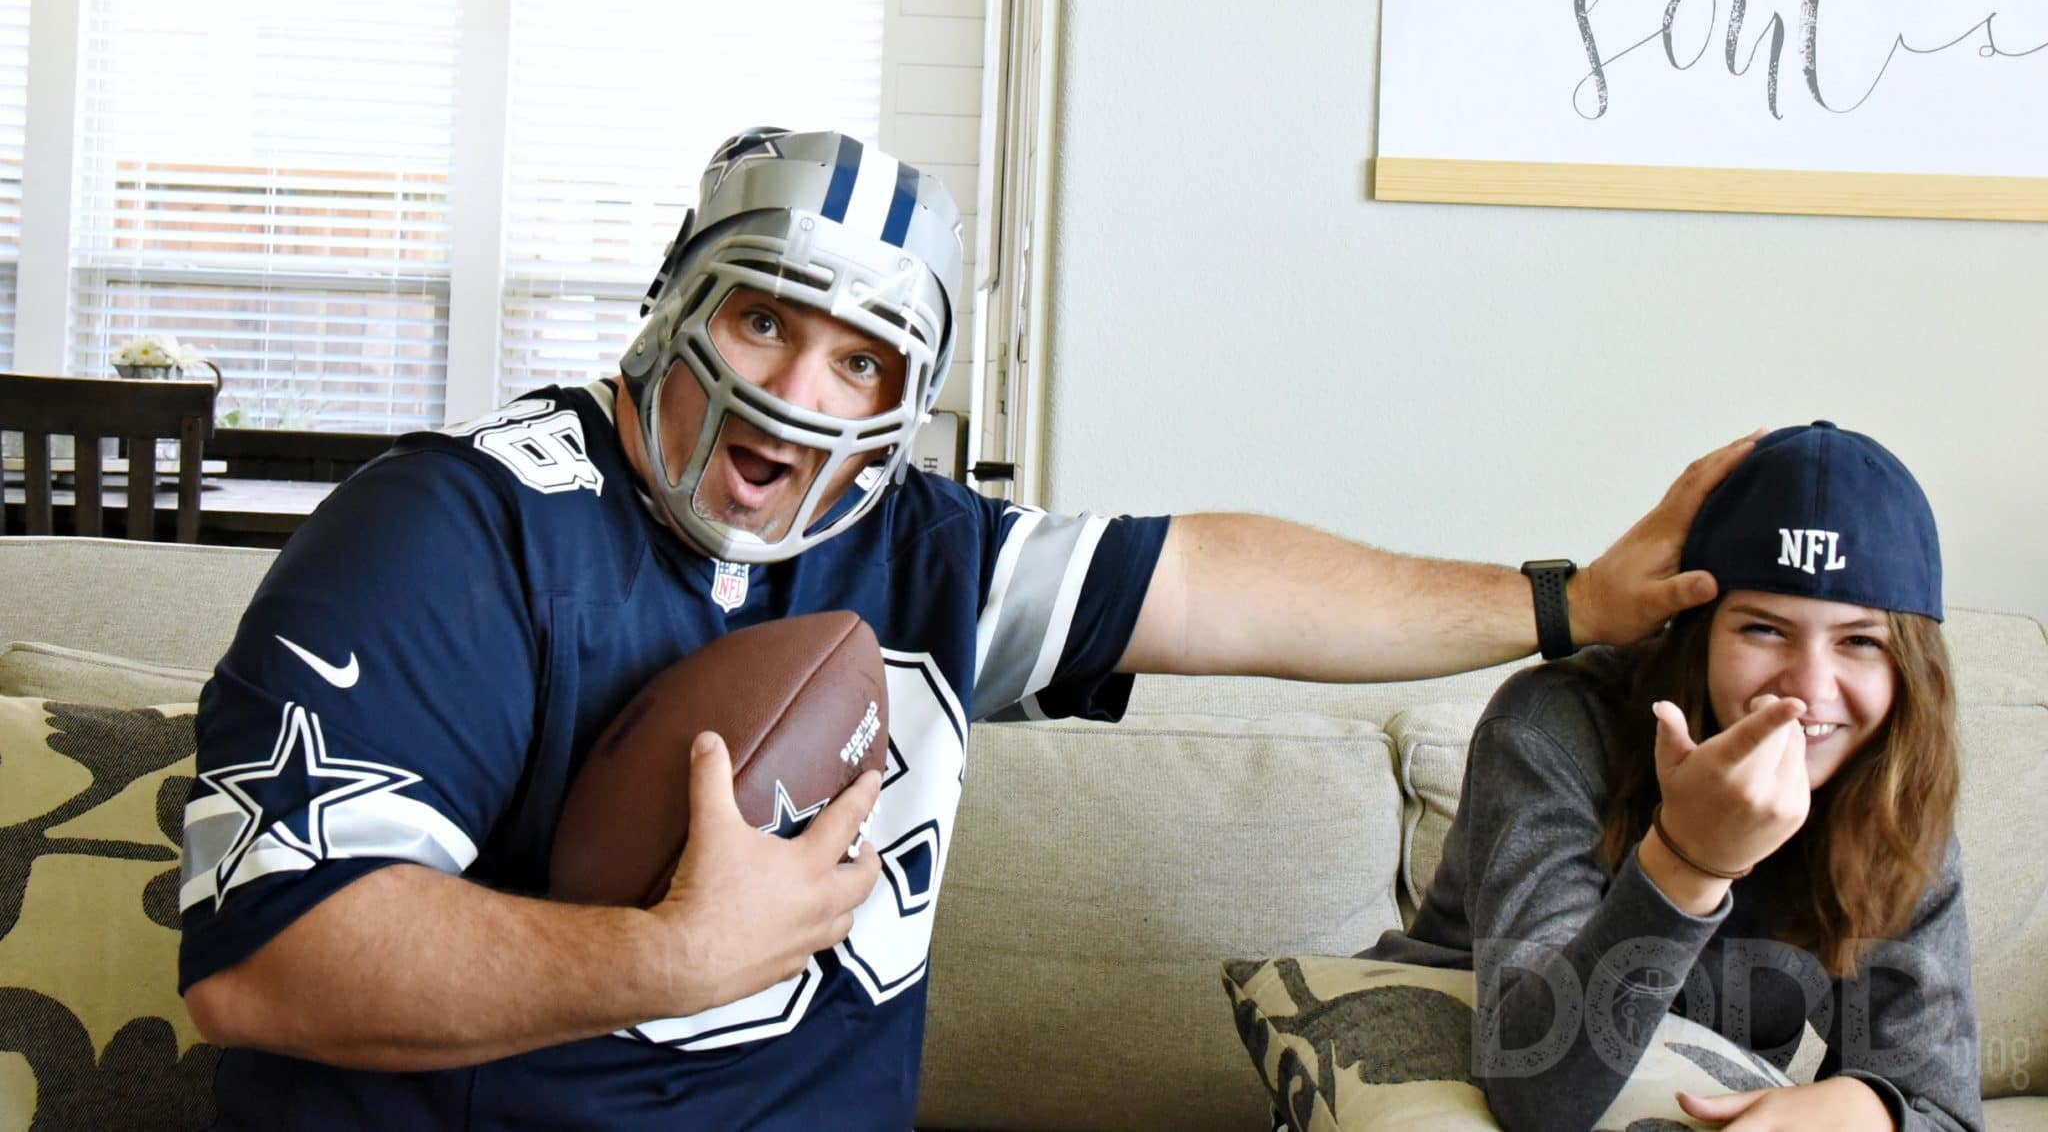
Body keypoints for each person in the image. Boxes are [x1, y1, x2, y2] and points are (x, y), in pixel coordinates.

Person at [177, 127, 1752, 1129]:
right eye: (763, 318)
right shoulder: (454, 531)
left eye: (860, 360)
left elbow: (1217, 580)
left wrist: (1567, 603)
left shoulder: (922, 552)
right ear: (676, 303)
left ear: (909, 398)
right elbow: (269, 968)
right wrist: (668, 955)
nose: (796, 393)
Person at [1365, 422, 1981, 1132]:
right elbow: (1534, 1092)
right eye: (1764, 629)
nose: (1808, 690)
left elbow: (1943, 1107)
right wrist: (1690, 859)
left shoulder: (1889, 787)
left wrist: (1872, 1109)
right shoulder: (1556, 726)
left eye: (1860, 641)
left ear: (1910, 669)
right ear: (1697, 631)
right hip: (1439, 1068)